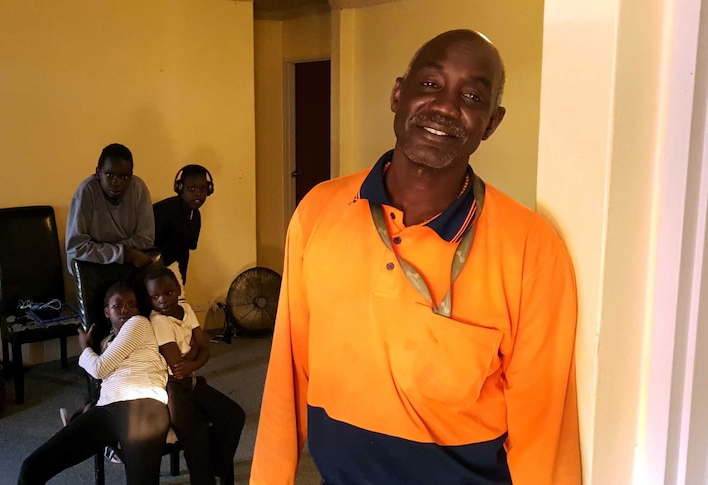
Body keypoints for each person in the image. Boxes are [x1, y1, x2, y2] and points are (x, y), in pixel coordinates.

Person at [250, 30, 581, 485]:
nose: (446, 106)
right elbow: (288, 373)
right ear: (397, 94)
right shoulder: (319, 213)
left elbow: (545, 426)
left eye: (471, 95)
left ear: (491, 122)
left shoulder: (531, 247)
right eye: (430, 84)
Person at [19, 282, 170, 485]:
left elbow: (98, 369)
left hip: (145, 405)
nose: (125, 309)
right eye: (118, 306)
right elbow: (99, 370)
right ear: (107, 312)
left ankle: (112, 445)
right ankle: (109, 443)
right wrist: (92, 350)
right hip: (107, 409)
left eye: (132, 305)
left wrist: (84, 348)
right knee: (31, 468)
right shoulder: (106, 343)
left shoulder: (138, 324)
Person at [145, 266, 245, 485]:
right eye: (155, 297)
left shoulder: (186, 310)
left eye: (168, 293)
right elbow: (177, 366)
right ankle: (206, 474)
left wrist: (193, 360)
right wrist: (195, 355)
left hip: (190, 381)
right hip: (171, 387)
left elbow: (206, 347)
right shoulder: (159, 321)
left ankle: (215, 466)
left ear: (178, 289)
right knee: (196, 436)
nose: (162, 300)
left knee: (234, 415)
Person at [66, 143, 156, 274]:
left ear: (131, 176)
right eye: (109, 175)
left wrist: (117, 253)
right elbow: (76, 247)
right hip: (92, 266)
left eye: (124, 177)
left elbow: (146, 239)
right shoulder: (86, 191)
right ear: (98, 173)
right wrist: (124, 254)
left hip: (127, 265)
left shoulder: (139, 188)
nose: (116, 182)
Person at [153, 164, 214, 286]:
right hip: (155, 274)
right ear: (180, 188)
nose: (198, 194)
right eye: (192, 189)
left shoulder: (195, 215)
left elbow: (188, 246)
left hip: (175, 273)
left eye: (202, 189)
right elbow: (151, 250)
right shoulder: (164, 211)